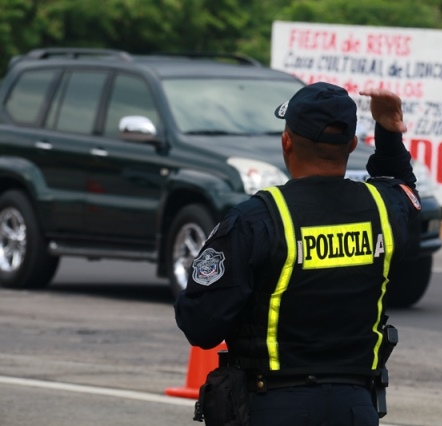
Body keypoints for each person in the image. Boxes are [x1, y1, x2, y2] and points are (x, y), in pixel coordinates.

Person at [174, 82, 421, 426]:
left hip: (275, 405)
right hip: (356, 407)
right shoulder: (384, 209)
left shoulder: (257, 218)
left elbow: (201, 325)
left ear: (286, 141)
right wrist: (389, 133)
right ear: (352, 145)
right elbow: (403, 187)